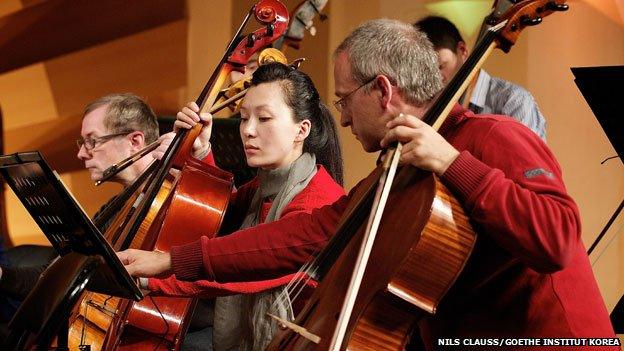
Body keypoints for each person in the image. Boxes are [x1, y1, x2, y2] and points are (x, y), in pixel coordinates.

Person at [118, 19, 617, 349]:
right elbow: (304, 235)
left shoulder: (493, 137)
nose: (344, 118)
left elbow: (557, 237)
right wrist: (170, 259)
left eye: (343, 100)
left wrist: (454, 164)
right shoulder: (397, 169)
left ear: (382, 90)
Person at [132, 62, 345, 351]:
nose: (248, 130)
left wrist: (152, 275)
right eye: (244, 118)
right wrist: (198, 152)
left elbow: (239, 266)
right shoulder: (261, 187)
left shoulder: (320, 200)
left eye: (264, 118)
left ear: (301, 129)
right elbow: (218, 217)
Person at [0, 93, 161, 340]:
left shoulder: (177, 200)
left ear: (135, 141)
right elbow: (51, 276)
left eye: (92, 142)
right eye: (82, 143)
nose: (81, 155)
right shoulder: (113, 209)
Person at [415, 15, 547, 140]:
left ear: (462, 50)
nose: (434, 79)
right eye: (426, 72)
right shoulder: (428, 104)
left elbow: (527, 163)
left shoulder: (513, 101)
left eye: (440, 66)